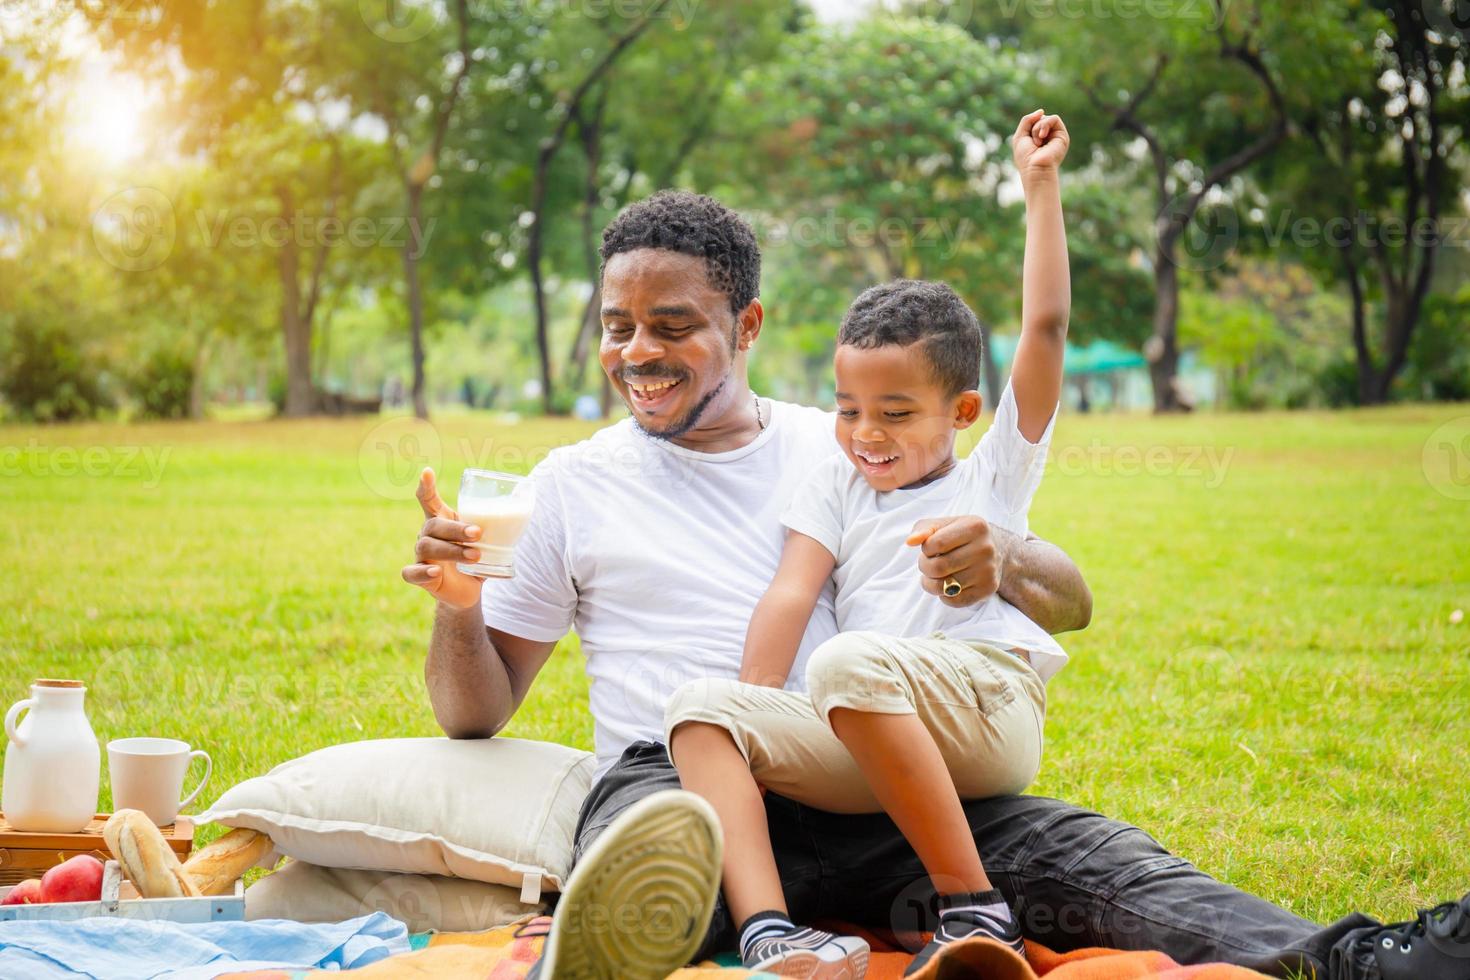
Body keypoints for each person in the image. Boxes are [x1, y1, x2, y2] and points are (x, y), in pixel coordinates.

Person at [403, 184, 1470, 980]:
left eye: (673, 325)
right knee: (654, 835)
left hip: (867, 766)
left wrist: (1007, 557)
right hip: (683, 779)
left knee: (1087, 856)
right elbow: (474, 709)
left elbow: (1072, 603)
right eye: (617, 326)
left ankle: (1365, 962)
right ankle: (677, 928)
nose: (639, 350)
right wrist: (459, 606)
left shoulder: (864, 437)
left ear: (749, 325)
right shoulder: (571, 484)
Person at [665, 109, 1073, 978]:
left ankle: (975, 908)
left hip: (987, 712)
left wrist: (1038, 188)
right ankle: (773, 932)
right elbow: (790, 592)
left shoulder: (992, 476)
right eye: (849, 410)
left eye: (895, 415)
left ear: (962, 414)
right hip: (868, 731)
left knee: (846, 661)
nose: (863, 433)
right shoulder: (838, 480)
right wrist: (755, 718)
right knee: (700, 709)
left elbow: (1044, 332)